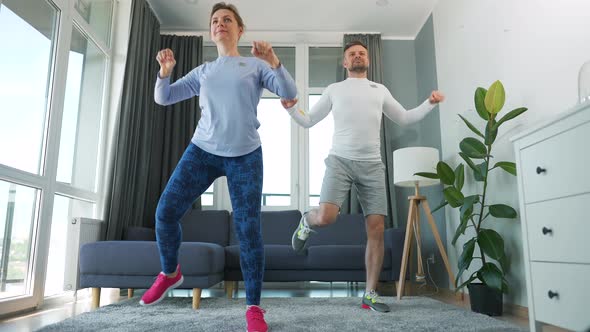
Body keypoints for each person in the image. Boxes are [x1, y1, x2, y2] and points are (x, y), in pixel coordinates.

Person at [140, 3, 297, 331]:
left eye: (227, 19)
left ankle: (253, 307)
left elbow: (289, 92)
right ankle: (170, 272)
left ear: (240, 29)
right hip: (203, 151)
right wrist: (164, 73)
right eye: (214, 20)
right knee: (165, 212)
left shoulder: (254, 66)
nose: (220, 24)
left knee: (248, 230)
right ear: (210, 31)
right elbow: (163, 98)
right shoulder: (204, 72)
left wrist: (274, 61)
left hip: (245, 155)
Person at [281, 40, 444, 313]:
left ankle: (370, 294)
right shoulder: (335, 90)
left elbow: (403, 117)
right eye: (352, 54)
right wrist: (289, 108)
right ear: (345, 63)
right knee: (326, 217)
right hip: (339, 161)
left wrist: (429, 103)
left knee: (376, 230)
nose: (357, 56)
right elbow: (308, 120)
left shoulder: (379, 90)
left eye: (362, 53)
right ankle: (306, 221)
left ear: (367, 61)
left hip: (372, 166)